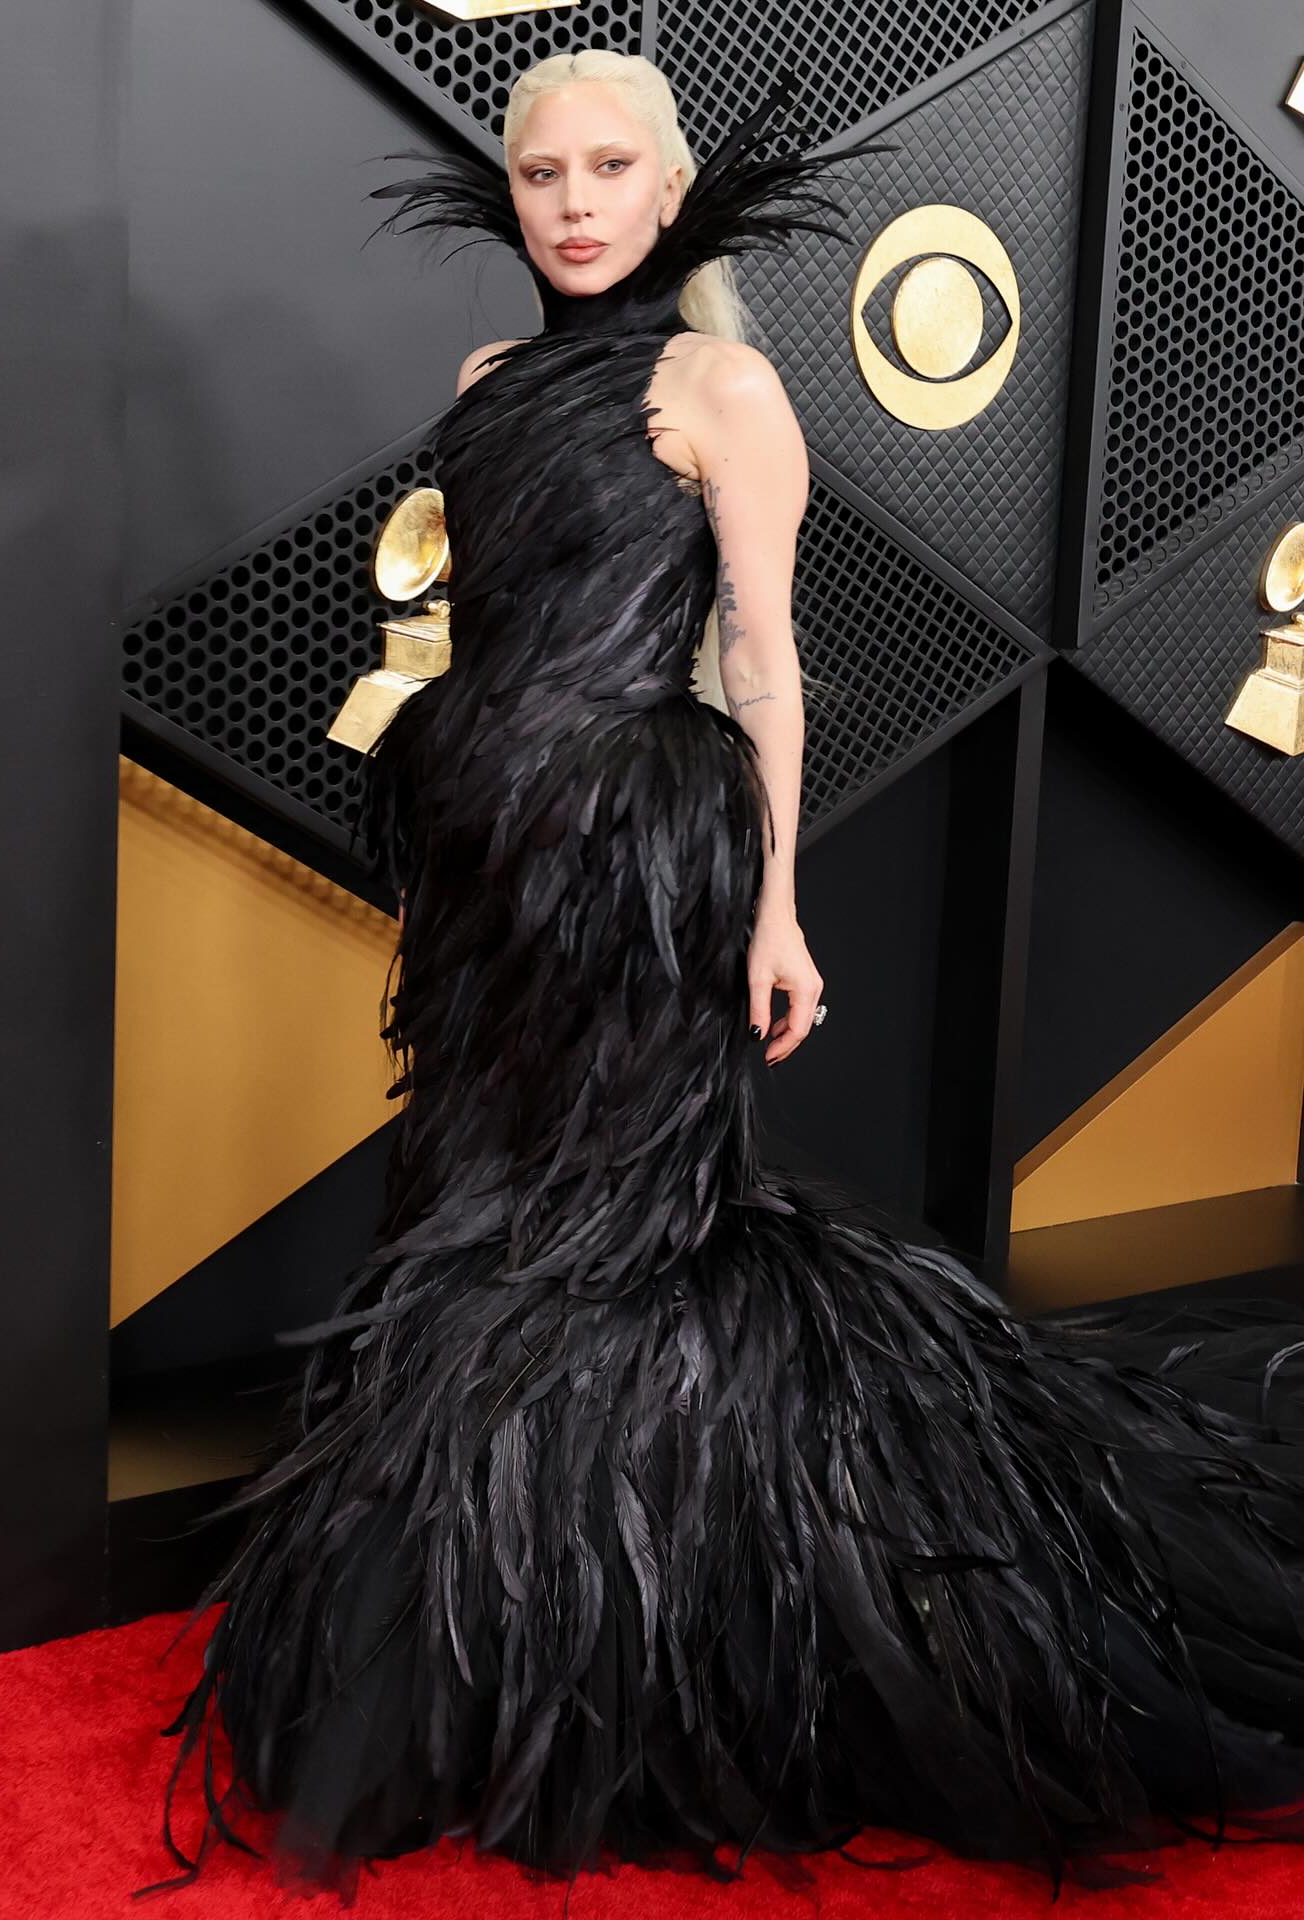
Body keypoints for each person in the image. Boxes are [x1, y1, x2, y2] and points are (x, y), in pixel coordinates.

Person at [133, 48, 1304, 1907]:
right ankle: (486, 1654)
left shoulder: (722, 387)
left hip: (642, 870)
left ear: (671, 191)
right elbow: (487, 636)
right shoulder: (486, 387)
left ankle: (625, 1646)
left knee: (599, 1239)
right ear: (509, 192)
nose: (576, 203)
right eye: (544, 172)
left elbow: (761, 660)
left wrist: (775, 908)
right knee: (472, 1214)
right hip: (493, 875)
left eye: (611, 168)